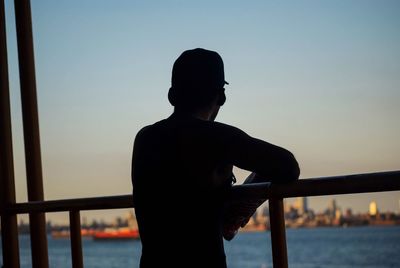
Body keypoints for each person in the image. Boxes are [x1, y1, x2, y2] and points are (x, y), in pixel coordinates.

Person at [131, 48, 300, 267]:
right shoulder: (219, 137)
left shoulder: (145, 138)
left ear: (172, 95)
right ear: (221, 96)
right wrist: (240, 201)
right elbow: (288, 166)